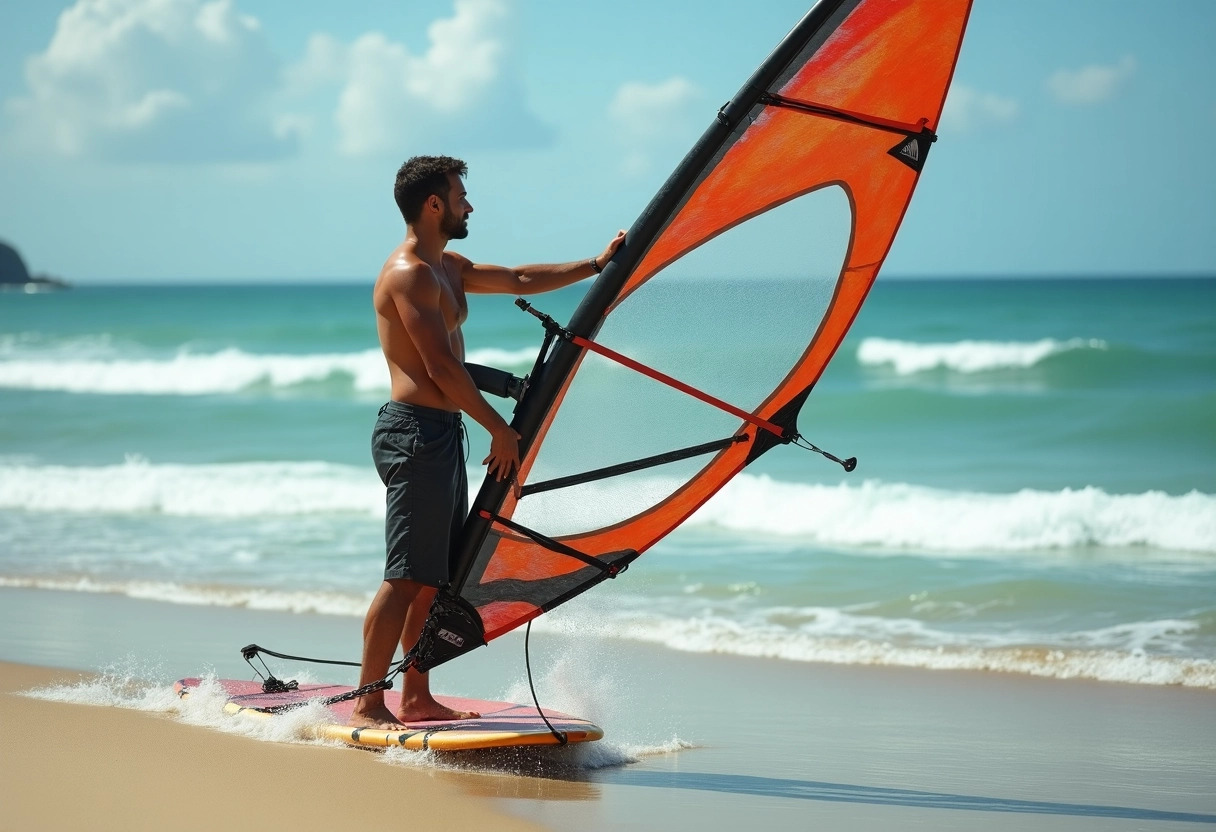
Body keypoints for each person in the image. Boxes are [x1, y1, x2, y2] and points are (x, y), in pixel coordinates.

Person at [350, 155, 625, 728]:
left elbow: (521, 279)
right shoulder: (408, 274)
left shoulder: (448, 267)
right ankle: (370, 701)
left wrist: (596, 265)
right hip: (413, 434)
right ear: (433, 205)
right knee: (405, 576)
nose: (468, 205)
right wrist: (498, 428)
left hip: (442, 433)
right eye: (459, 196)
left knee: (433, 577)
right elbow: (442, 369)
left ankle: (417, 695)